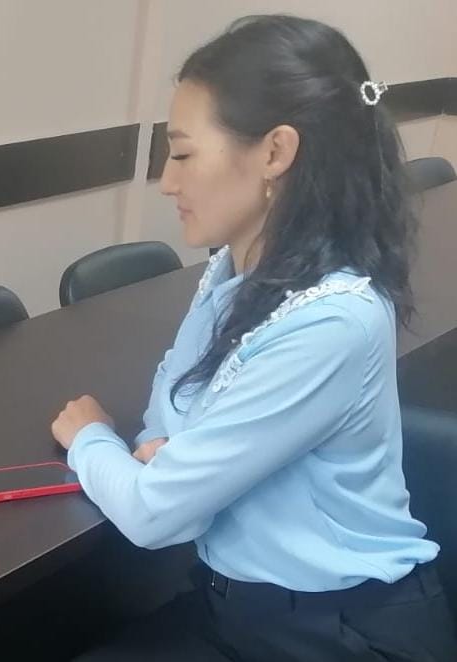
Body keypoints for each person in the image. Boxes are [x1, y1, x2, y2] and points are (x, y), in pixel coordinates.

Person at [52, 15, 457, 661]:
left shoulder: (333, 320)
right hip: (238, 609)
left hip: (340, 634)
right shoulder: (236, 270)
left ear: (275, 152)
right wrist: (172, 462)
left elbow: (157, 514)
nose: (168, 181)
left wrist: (90, 438)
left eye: (184, 153)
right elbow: (167, 411)